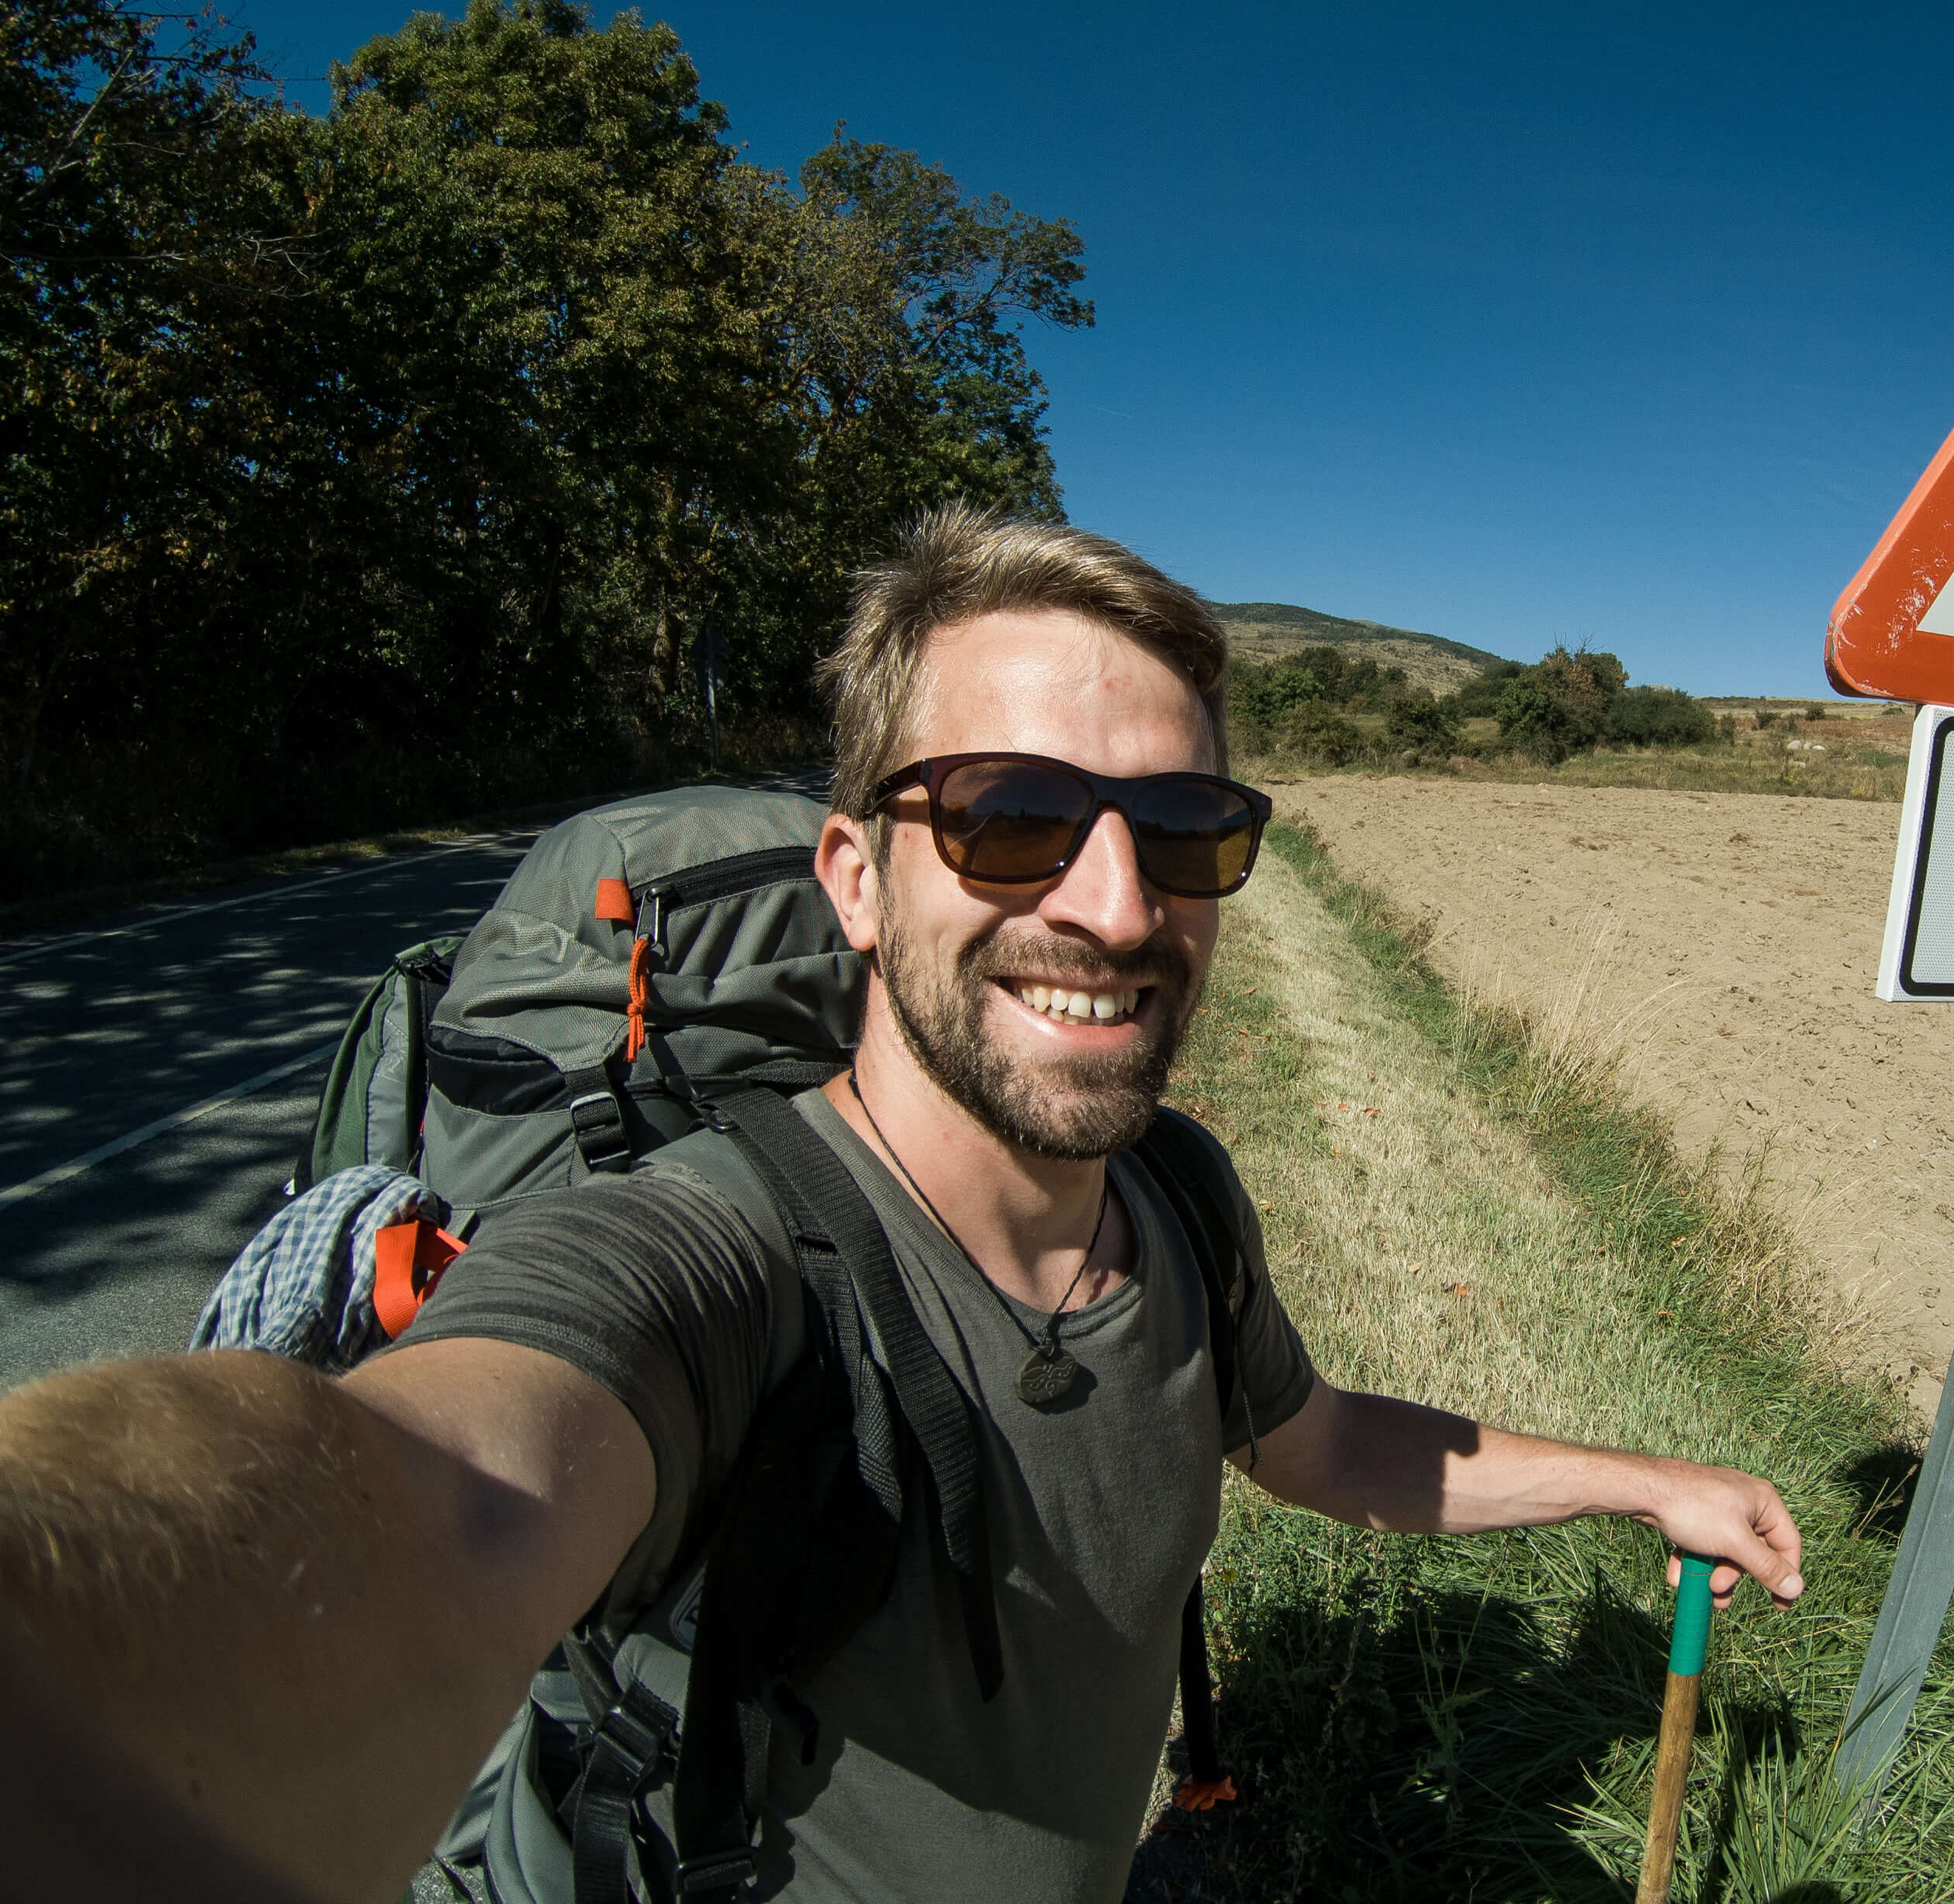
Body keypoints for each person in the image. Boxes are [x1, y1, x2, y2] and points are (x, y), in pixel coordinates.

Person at [0, 509, 1804, 1904]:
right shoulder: (716, 1263)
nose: (1113, 902)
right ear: (856, 882)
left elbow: (1318, 1443)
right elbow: (430, 1504)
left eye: (1181, 828)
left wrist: (1650, 1482)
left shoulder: (1179, 1194)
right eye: (1011, 816)